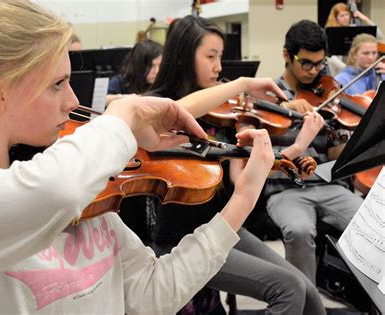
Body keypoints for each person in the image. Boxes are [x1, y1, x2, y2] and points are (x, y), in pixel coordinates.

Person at [0, 1, 277, 314]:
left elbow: (150, 292)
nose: (73, 101)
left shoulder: (76, 176)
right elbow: (51, 193)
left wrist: (242, 200)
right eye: (58, 84)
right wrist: (124, 119)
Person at [142, 15, 326, 315]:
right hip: (183, 240)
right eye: (211, 57)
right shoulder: (160, 104)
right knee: (288, 289)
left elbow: (242, 177)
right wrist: (241, 84)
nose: (219, 67)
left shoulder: (222, 113)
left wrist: (296, 147)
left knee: (308, 291)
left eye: (221, 57)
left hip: (223, 225)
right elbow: (176, 112)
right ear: (184, 57)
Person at [268, 19, 363, 284]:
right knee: (299, 230)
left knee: (373, 222)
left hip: (325, 185)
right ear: (287, 55)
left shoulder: (326, 95)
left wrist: (348, 130)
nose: (313, 71)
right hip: (284, 189)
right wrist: (287, 109)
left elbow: (335, 156)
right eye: (306, 63)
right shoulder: (269, 95)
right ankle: (304, 300)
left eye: (320, 63)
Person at [324, 2, 383, 76]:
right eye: (342, 16)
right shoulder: (331, 32)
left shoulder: (354, 28)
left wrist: (365, 19)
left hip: (355, 68)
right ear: (336, 18)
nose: (345, 18)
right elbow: (331, 56)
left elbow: (379, 36)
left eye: (347, 14)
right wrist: (348, 69)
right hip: (338, 69)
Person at [106, 39, 163, 105]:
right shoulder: (120, 82)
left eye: (160, 65)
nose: (157, 71)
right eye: (151, 66)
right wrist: (126, 98)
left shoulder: (162, 83)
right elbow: (105, 99)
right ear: (139, 65)